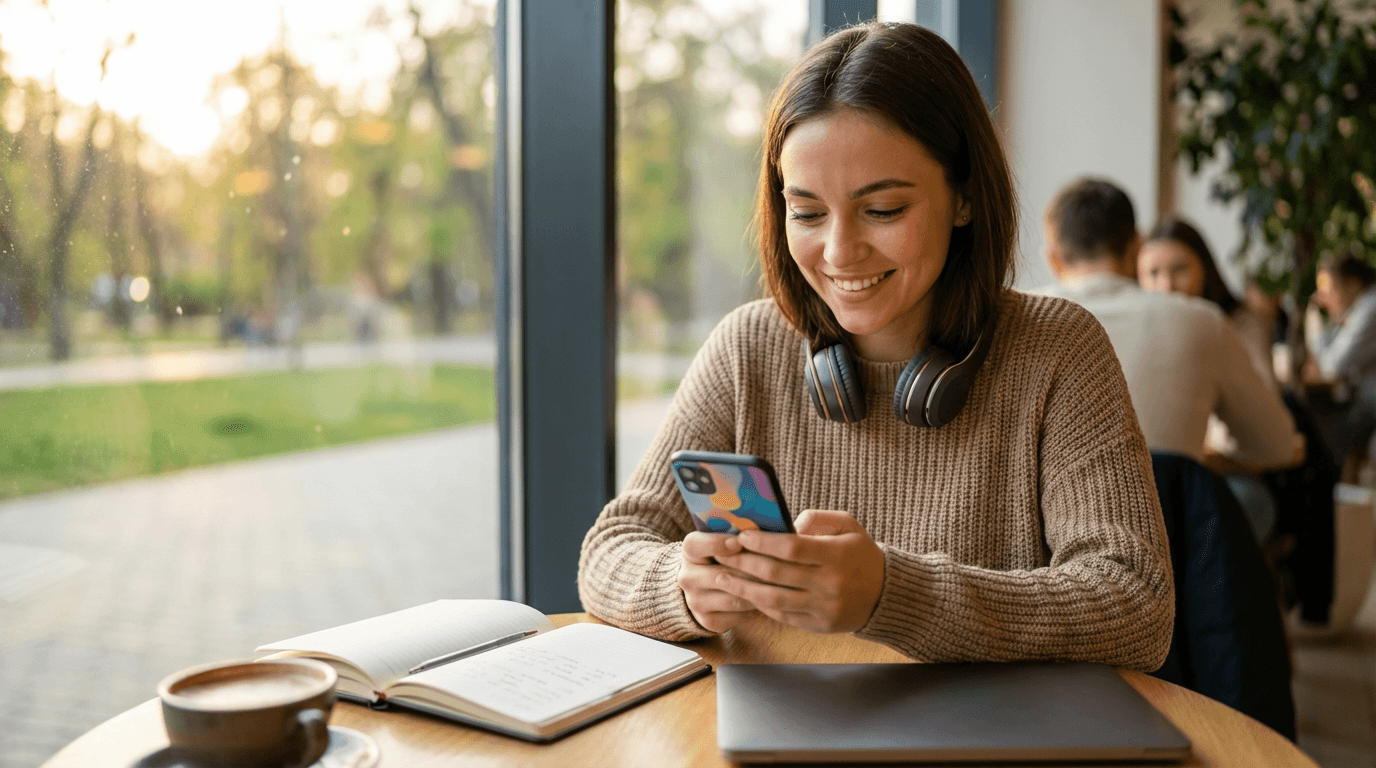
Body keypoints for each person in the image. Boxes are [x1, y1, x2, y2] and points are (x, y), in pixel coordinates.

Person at [578, 23, 1174, 671]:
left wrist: (891, 594)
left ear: (965, 197)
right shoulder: (748, 347)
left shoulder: (1059, 349)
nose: (839, 252)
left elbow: (1136, 608)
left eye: (882, 210)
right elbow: (611, 550)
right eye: (806, 212)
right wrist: (685, 586)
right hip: (785, 730)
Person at [1036, 179, 1298, 475]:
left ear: (1053, 258)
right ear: (1137, 247)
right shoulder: (1202, 321)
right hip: (1165, 517)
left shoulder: (1009, 320)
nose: (1167, 284)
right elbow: (1277, 446)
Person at [1136, 217, 1300, 541]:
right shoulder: (1139, 327)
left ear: (1205, 268)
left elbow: (1265, 421)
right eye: (1153, 274)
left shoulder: (1236, 322)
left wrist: (1263, 326)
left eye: (1180, 269)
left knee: (1240, 505)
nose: (1166, 286)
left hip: (1222, 471)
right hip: (1159, 477)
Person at [1305, 255, 1376, 469]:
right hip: (1365, 404)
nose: (1323, 299)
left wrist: (1314, 323)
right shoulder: (1358, 309)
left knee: (1312, 433)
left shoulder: (1370, 307)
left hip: (1368, 406)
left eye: (1330, 290)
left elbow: (1331, 367)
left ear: (1353, 284)